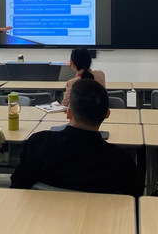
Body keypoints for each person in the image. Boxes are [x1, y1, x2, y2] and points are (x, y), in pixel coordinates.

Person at [11, 79, 144, 196]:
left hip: (42, 215)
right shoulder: (121, 160)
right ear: (107, 114)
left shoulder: (38, 144)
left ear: (68, 113)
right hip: (99, 217)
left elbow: (17, 186)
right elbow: (133, 199)